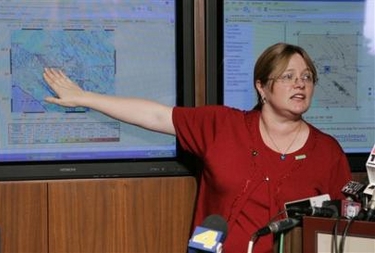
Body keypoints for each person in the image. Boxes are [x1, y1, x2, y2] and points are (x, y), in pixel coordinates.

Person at [42, 42, 352, 253]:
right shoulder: (221, 126)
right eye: (288, 77)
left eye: (307, 77)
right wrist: (84, 98)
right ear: (261, 87)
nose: (300, 84)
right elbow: (155, 115)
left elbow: (343, 231)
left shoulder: (327, 152)